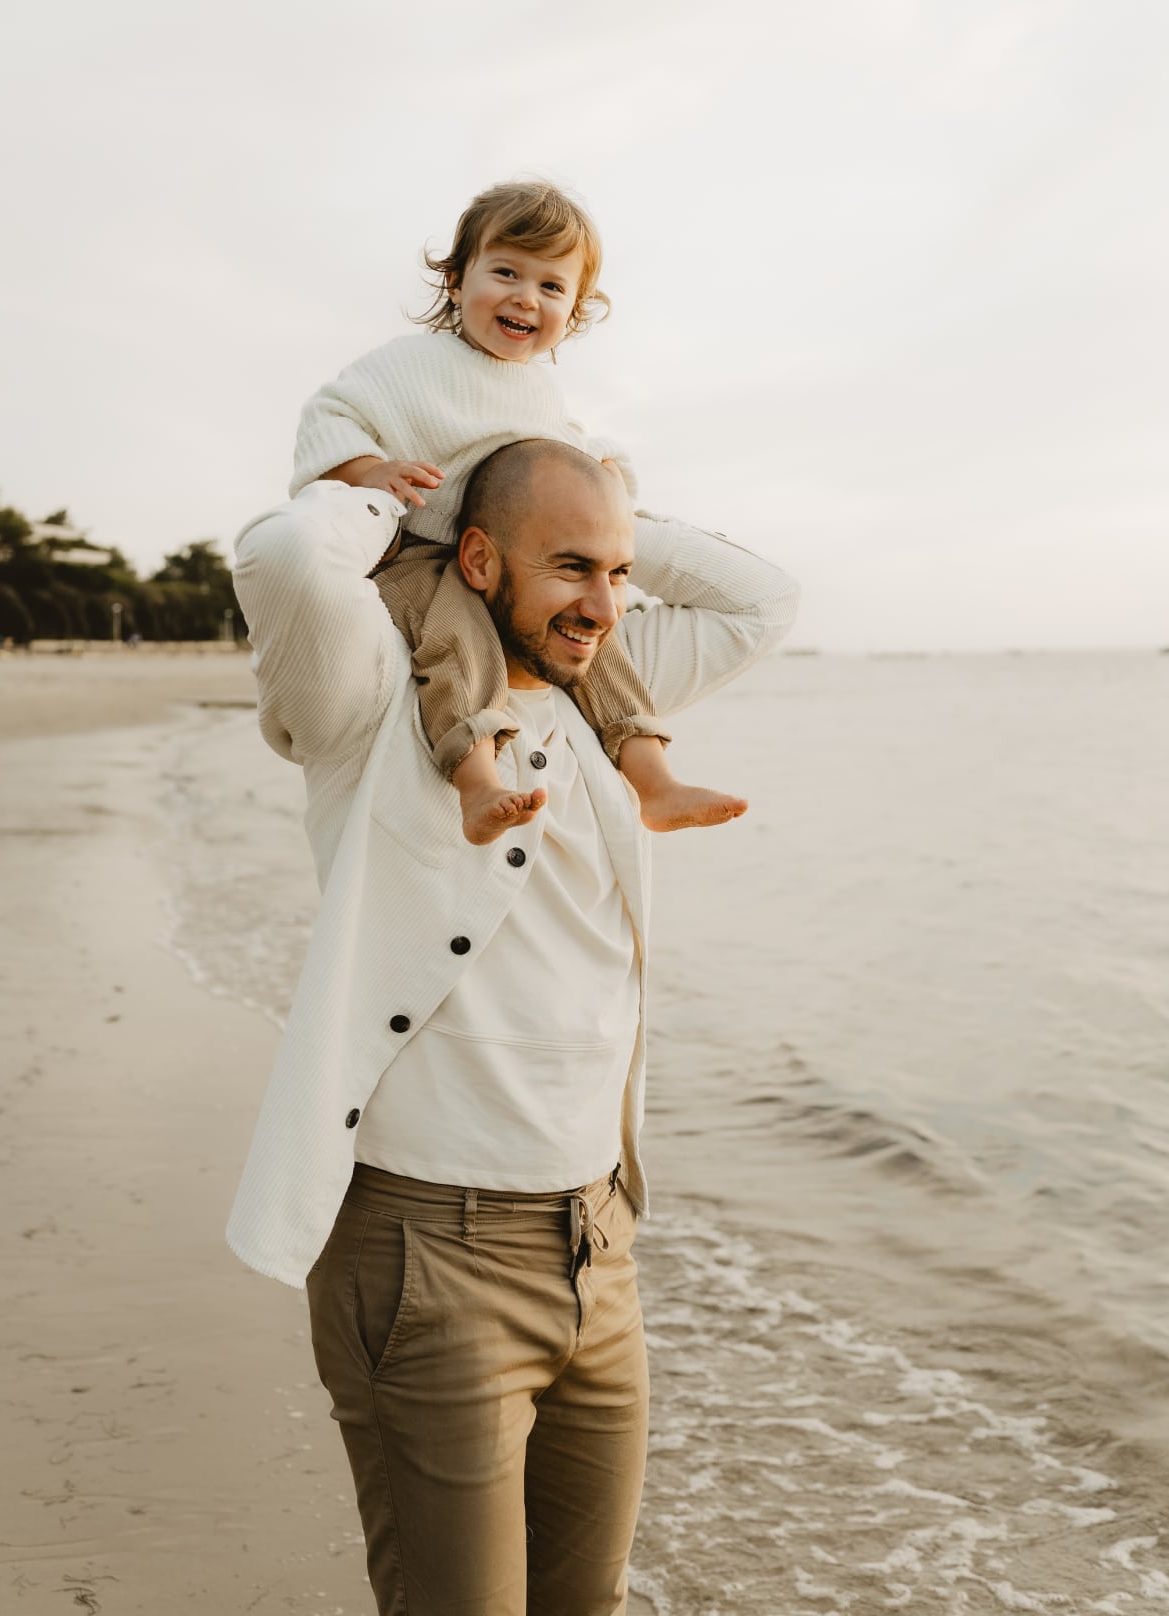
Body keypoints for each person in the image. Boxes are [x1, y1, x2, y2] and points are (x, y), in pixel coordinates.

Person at [227, 434, 799, 1614]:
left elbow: (761, 599)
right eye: (569, 568)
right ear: (476, 559)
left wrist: (587, 498)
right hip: (427, 1251)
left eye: (619, 573)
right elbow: (283, 558)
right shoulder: (371, 696)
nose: (604, 604)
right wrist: (423, 490)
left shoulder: (598, 686)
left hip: (595, 1241)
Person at [291, 178, 751, 843]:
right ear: (456, 280)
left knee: (599, 648)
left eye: (551, 286)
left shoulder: (539, 391)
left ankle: (654, 782)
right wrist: (369, 470)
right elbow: (329, 417)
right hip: (420, 555)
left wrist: (607, 472)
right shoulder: (410, 364)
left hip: (511, 565)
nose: (526, 297)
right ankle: (478, 782)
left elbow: (566, 451)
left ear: (574, 310)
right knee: (460, 642)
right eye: (506, 272)